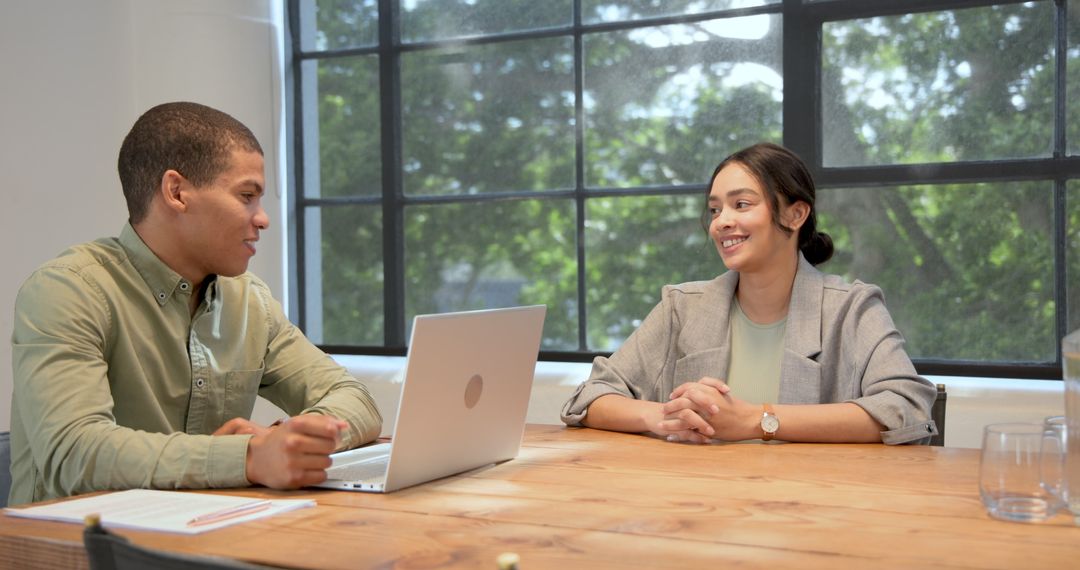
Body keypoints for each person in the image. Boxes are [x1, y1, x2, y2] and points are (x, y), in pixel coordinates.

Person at [8, 102, 382, 506]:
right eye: (246, 196)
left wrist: (299, 438)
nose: (263, 219)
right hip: (68, 550)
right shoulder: (68, 291)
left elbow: (353, 398)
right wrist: (250, 457)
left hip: (202, 534)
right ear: (177, 192)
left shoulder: (250, 301)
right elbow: (73, 452)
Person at [561, 142, 937, 445]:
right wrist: (665, 417)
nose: (721, 222)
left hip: (811, 511)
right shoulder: (682, 307)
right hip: (697, 509)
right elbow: (590, 397)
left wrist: (756, 421)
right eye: (714, 209)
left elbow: (907, 407)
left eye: (741, 204)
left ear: (795, 215)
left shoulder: (852, 309)